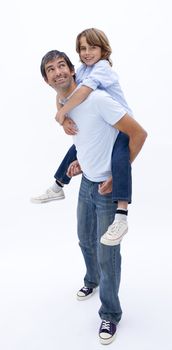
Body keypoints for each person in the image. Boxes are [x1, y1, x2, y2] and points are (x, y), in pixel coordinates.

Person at [39, 49, 147, 344]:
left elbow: (138, 134)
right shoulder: (67, 105)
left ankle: (110, 314)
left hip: (107, 190)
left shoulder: (98, 99)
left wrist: (117, 175)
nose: (58, 71)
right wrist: (81, 163)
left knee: (107, 253)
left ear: (73, 70)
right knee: (84, 239)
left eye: (62, 65)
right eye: (51, 69)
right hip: (86, 183)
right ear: (47, 80)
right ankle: (92, 281)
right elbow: (92, 138)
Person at [31, 28, 134, 246]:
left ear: (104, 50)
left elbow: (84, 92)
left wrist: (61, 113)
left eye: (92, 47)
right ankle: (58, 186)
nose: (87, 52)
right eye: (82, 48)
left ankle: (122, 216)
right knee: (76, 148)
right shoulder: (84, 69)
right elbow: (63, 94)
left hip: (121, 128)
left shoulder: (102, 69)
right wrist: (63, 116)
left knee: (120, 164)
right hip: (104, 127)